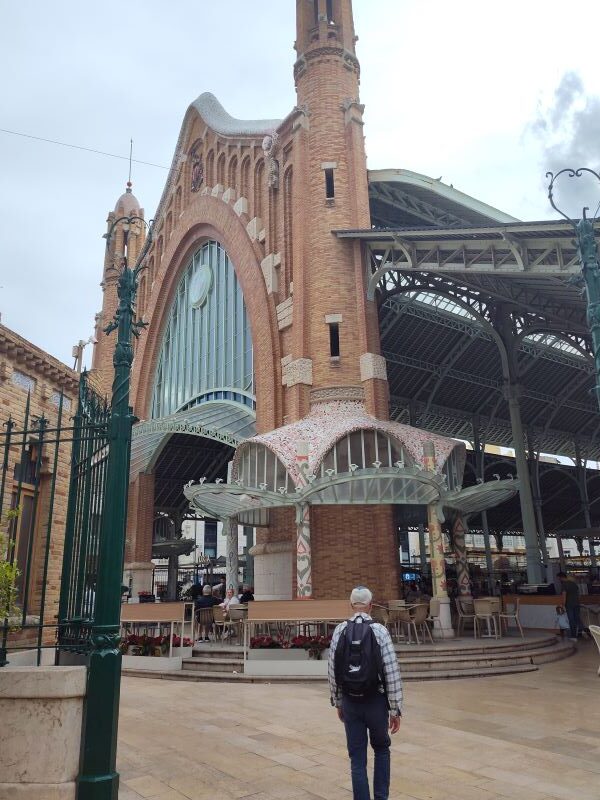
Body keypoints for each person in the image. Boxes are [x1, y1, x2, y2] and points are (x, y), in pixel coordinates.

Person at [328, 586, 402, 800]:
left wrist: (338, 701)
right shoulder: (379, 630)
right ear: (371, 605)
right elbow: (391, 670)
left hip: (351, 702)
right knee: (381, 749)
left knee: (357, 759)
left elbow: (333, 670)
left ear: (351, 605)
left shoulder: (340, 630)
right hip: (376, 702)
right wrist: (395, 709)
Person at [557, 571, 581, 641]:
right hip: (577, 604)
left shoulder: (564, 585)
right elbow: (578, 595)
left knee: (571, 620)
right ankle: (579, 634)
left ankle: (573, 636)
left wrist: (562, 605)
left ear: (561, 578)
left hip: (569, 605)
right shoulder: (573, 584)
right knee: (577, 619)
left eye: (558, 578)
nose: (558, 580)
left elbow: (564, 596)